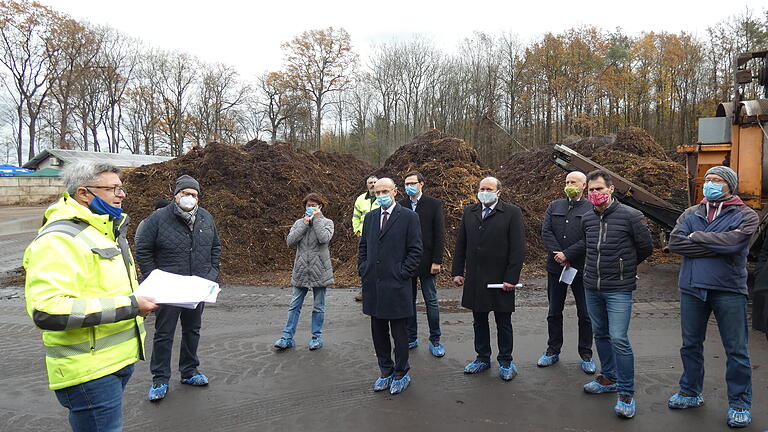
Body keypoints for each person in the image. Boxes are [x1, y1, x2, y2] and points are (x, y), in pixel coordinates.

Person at [23, 160, 158, 431]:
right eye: (113, 189)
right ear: (83, 193)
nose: (121, 195)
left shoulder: (106, 231)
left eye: (121, 189)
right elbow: (47, 310)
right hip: (88, 371)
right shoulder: (59, 239)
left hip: (115, 362)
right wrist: (132, 306)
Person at [666, 166, 757, 428]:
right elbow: (675, 243)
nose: (710, 184)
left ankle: (740, 403)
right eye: (708, 179)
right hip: (692, 288)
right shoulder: (691, 212)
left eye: (717, 180)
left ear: (730, 185)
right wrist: (717, 247)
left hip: (728, 289)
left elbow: (737, 243)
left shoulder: (745, 214)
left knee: (736, 349)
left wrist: (697, 238)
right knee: (690, 345)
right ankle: (690, 392)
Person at [560, 169, 653, 419]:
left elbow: (645, 247)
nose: (595, 194)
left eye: (599, 189)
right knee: (599, 333)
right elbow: (588, 247)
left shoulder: (632, 216)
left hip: (618, 288)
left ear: (611, 189)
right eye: (591, 190)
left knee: (618, 338)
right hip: (592, 285)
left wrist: (627, 267)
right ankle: (608, 378)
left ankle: (626, 392)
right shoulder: (587, 218)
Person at [135, 174, 221, 402]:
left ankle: (190, 371)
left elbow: (215, 248)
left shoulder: (205, 218)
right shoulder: (158, 219)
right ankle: (160, 379)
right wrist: (154, 278)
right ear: (176, 195)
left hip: (197, 287)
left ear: (198, 198)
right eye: (185, 193)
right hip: (169, 289)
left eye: (194, 194)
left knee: (192, 330)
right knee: (164, 334)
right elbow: (143, 249)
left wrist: (211, 274)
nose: (189, 198)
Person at [451, 177, 526, 381]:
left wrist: (511, 277)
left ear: (498, 192)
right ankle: (482, 358)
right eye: (482, 188)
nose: (485, 191)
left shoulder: (511, 213)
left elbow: (518, 249)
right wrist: (458, 271)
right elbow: (461, 245)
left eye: (489, 189)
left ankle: (506, 361)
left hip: (501, 279)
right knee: (479, 320)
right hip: (476, 278)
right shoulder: (470, 212)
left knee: (503, 321)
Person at [358, 178, 422, 395]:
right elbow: (364, 247)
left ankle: (401, 372)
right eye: (377, 192)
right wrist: (364, 268)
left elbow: (415, 251)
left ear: (395, 192)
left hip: (396, 285)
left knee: (399, 332)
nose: (381, 195)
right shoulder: (370, 218)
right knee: (378, 331)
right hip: (374, 285)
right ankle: (385, 371)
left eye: (385, 191)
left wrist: (402, 273)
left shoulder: (408, 217)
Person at [538, 171, 595, 373]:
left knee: (585, 314)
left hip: (582, 269)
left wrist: (568, 254)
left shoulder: (591, 209)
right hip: (556, 269)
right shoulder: (555, 206)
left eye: (574, 182)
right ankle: (552, 350)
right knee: (554, 311)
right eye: (567, 182)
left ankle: (586, 354)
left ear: (584, 186)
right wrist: (559, 255)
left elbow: (590, 237)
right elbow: (546, 232)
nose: (569, 185)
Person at [274, 193, 335, 351]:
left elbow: (324, 238)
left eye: (314, 205)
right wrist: (304, 223)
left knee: (318, 306)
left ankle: (316, 337)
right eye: (308, 205)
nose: (311, 208)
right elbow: (290, 241)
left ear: (320, 207)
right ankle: (287, 337)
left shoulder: (327, 222)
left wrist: (316, 220)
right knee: (294, 305)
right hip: (301, 269)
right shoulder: (299, 223)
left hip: (320, 270)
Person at [398, 171, 446, 357]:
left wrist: (437, 260)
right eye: (406, 183)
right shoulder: (401, 205)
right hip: (407, 262)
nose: (409, 186)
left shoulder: (434, 205)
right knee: (408, 301)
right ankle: (411, 337)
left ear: (421, 184)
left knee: (431, 301)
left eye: (412, 183)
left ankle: (435, 340)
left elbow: (439, 234)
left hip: (427, 262)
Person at [353, 175, 380, 302]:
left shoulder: (383, 198)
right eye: (370, 182)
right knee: (364, 262)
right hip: (364, 236)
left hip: (379, 236)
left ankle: (380, 289)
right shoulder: (360, 199)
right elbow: (356, 216)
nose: (373, 184)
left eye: (375, 182)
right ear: (367, 185)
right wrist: (357, 230)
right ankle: (364, 290)